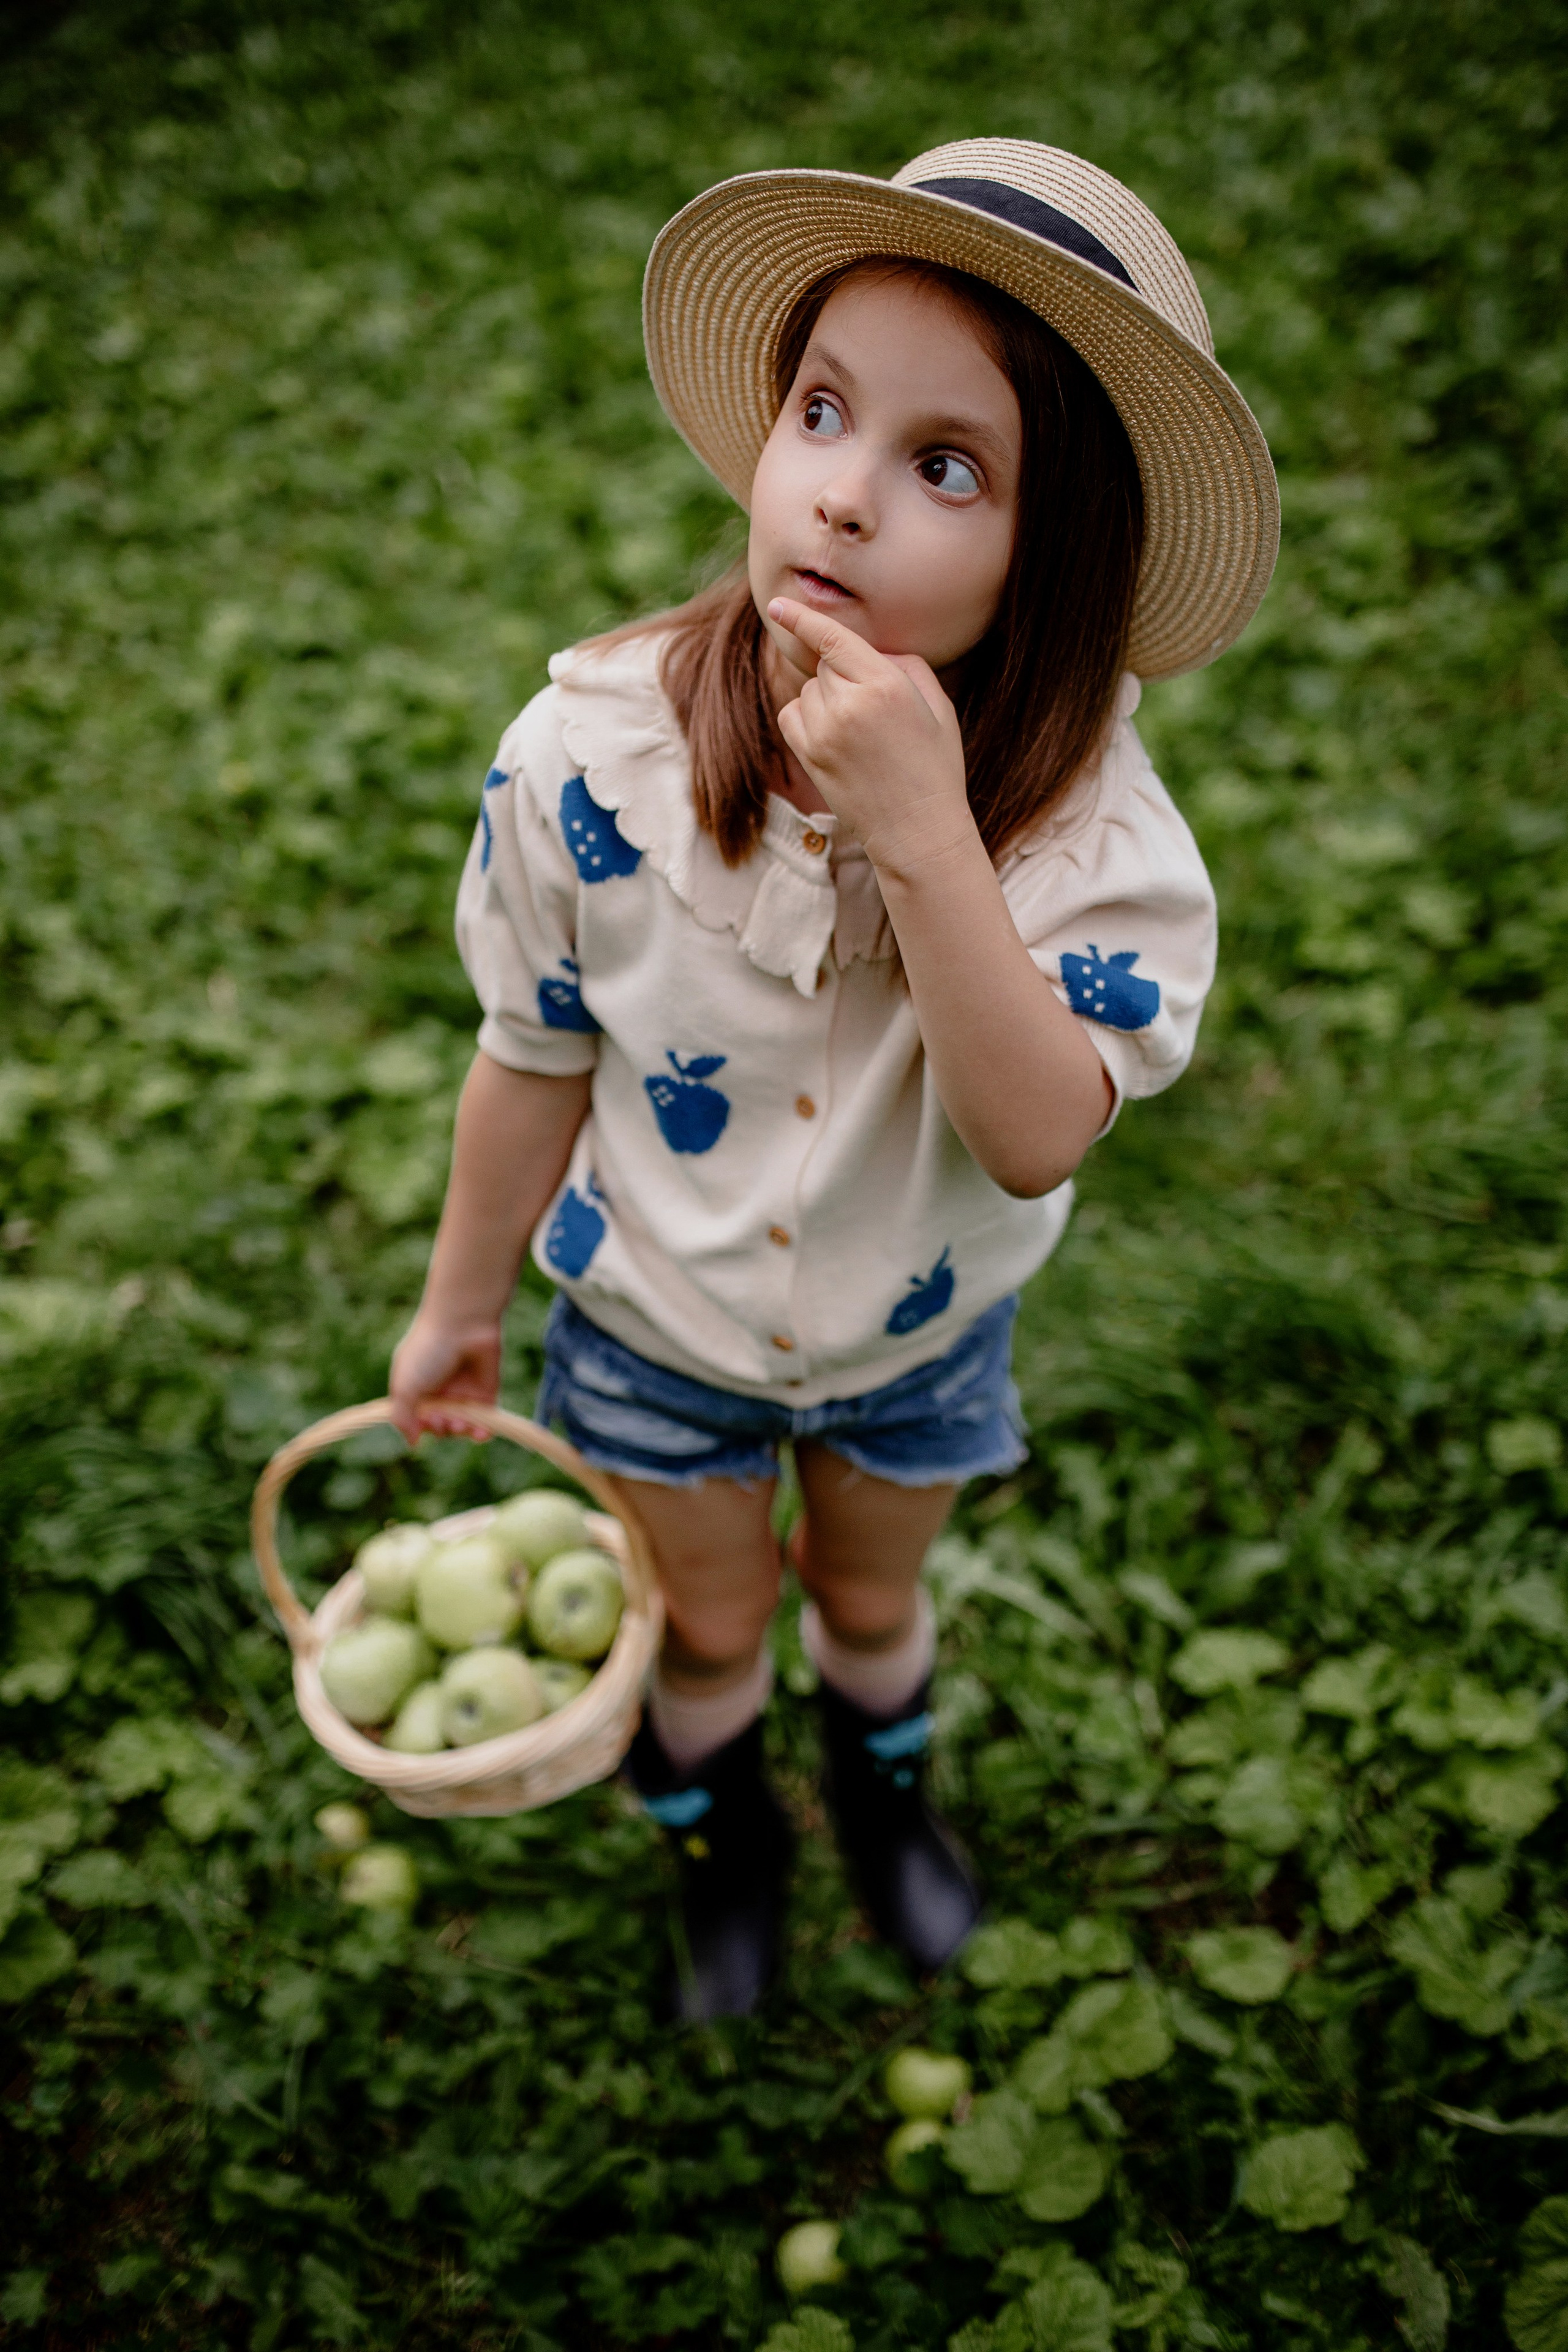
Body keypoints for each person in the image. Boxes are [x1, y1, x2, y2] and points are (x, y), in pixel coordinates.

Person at [388, 139, 1277, 2020]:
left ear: (1062, 550)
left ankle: (886, 1805)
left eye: (947, 466)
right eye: (823, 411)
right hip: (654, 1321)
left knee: (867, 1603)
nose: (847, 498)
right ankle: (729, 1852)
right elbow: (532, 1050)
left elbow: (1034, 1134)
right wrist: (461, 1305)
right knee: (708, 1624)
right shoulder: (590, 753)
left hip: (917, 1328)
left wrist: (924, 833)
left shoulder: (1092, 843)